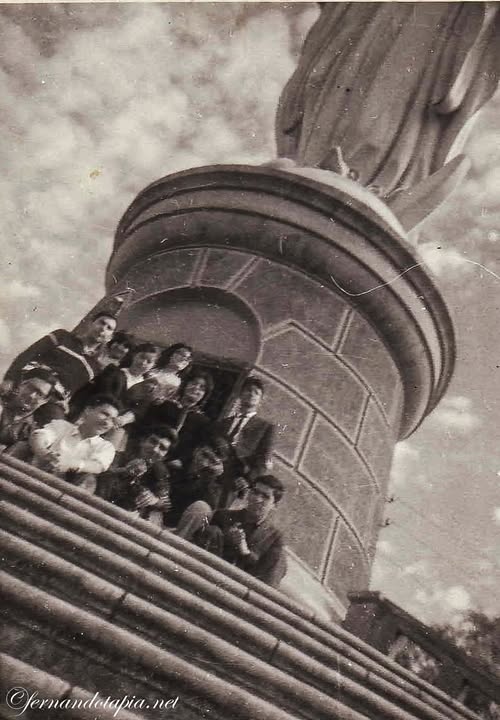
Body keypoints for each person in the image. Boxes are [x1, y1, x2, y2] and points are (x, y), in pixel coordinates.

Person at [183, 475, 287, 588]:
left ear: (274, 505)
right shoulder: (223, 516)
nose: (257, 499)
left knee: (281, 560)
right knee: (212, 530)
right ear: (248, 493)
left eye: (265, 497)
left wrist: (245, 552)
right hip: (208, 577)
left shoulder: (274, 537)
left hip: (240, 588)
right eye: (255, 492)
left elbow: (263, 574)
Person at [3, 312, 118, 400]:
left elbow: (73, 390)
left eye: (109, 328)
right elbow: (29, 354)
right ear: (90, 323)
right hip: (27, 384)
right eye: (101, 323)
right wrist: (9, 378)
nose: (103, 328)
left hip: (51, 401)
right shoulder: (62, 336)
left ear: (110, 337)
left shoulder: (95, 367)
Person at [28, 394, 119, 493]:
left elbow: (97, 466)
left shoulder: (106, 447)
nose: (107, 422)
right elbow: (40, 437)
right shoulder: (61, 426)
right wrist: (45, 454)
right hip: (35, 476)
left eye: (113, 420)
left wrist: (71, 464)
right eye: (105, 414)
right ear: (88, 410)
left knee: (88, 479)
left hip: (64, 491)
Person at [101, 424, 178, 527]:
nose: (155, 449)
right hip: (102, 504)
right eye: (153, 441)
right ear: (143, 441)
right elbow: (101, 474)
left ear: (165, 456)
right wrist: (125, 470)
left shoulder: (160, 472)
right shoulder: (118, 456)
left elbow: (165, 504)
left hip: (127, 517)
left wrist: (154, 500)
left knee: (155, 515)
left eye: (162, 448)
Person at [141, 369, 213, 467]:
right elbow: (144, 427)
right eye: (193, 383)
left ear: (204, 395)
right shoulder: (163, 405)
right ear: (185, 385)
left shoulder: (203, 422)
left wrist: (181, 460)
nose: (196, 388)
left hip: (172, 464)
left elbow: (195, 446)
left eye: (202, 388)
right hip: (149, 451)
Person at [215, 377, 275, 481]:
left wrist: (247, 480)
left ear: (261, 400)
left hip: (237, 479)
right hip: (214, 473)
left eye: (256, 393)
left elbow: (263, 461)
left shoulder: (265, 427)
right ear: (240, 394)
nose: (251, 394)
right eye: (248, 390)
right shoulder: (224, 422)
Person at [166, 434, 230, 529]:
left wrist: (208, 477)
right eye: (204, 455)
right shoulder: (176, 464)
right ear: (196, 450)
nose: (204, 463)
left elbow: (206, 512)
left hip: (176, 529)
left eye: (212, 461)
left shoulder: (211, 486)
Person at [0, 368, 59, 451]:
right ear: (21, 384)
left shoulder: (33, 429)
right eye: (30, 388)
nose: (32, 395)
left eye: (39, 394)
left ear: (44, 401)